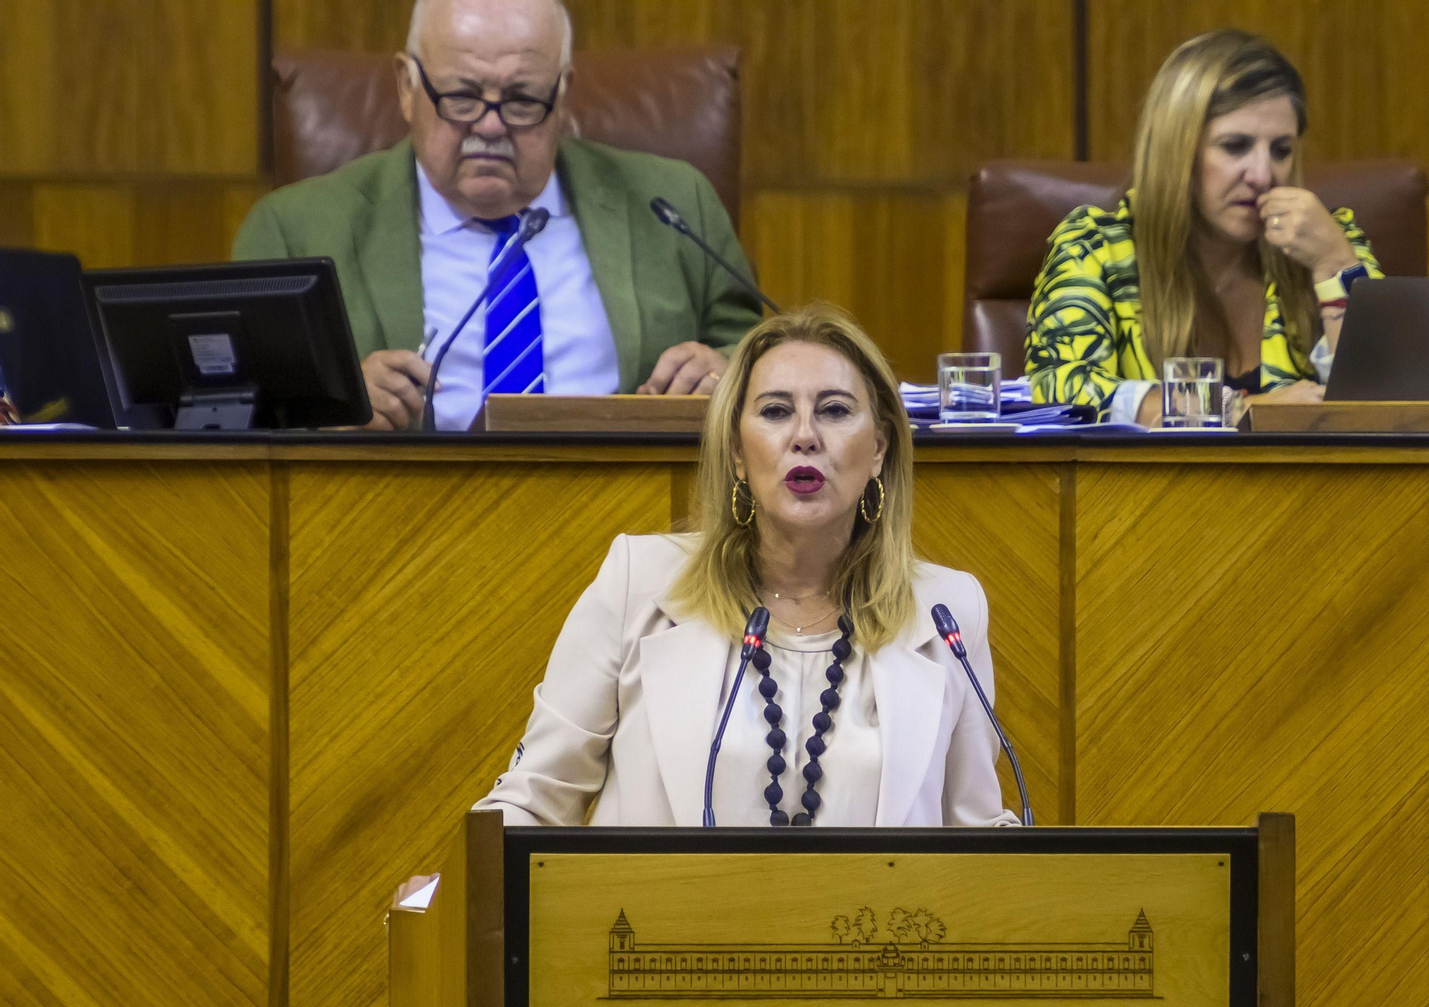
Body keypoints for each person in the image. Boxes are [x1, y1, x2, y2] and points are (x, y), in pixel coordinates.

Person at [476, 305, 1018, 827]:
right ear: (737, 450)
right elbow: (536, 796)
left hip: (867, 921)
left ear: (878, 448)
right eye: (776, 411)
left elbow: (976, 829)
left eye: (834, 410)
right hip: (668, 920)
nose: (805, 435)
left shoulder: (947, 611)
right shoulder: (638, 583)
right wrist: (453, 888)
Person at [233, 0, 762, 431]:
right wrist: (333, 405)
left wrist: (726, 373)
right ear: (406, 87)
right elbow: (239, 408)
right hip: (392, 533)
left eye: (522, 99)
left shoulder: (672, 204)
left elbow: (757, 356)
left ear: (563, 96)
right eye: (461, 97)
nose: (489, 126)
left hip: (629, 519)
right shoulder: (293, 229)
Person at [1024, 30, 1384, 425]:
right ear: (1177, 152)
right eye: (1235, 146)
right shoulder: (1095, 247)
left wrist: (1333, 265)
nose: (1263, 175)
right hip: (1142, 487)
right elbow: (1059, 389)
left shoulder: (1330, 242)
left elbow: (1397, 403)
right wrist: (1239, 411)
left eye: (1281, 150)